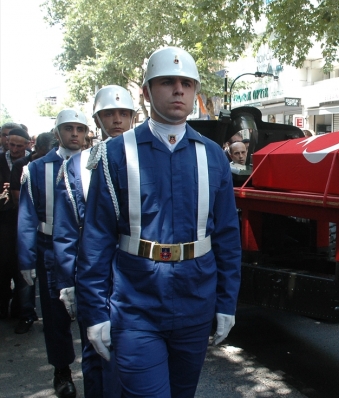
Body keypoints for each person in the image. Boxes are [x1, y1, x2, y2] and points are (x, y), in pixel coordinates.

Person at [76, 46, 242, 397]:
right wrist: (93, 312)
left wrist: (227, 302)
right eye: (167, 81)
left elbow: (227, 236)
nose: (178, 90)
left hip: (196, 303)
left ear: (196, 92)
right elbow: (96, 241)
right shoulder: (114, 154)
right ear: (146, 91)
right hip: (136, 307)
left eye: (187, 83)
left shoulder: (213, 155)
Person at [53, 85, 136, 397]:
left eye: (123, 113)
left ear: (133, 116)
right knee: (95, 351)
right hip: (93, 274)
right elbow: (66, 229)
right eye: (108, 114)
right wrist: (67, 281)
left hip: (134, 274)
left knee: (135, 354)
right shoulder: (77, 164)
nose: (116, 120)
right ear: (98, 118)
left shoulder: (147, 157)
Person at [18, 109, 89, 398]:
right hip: (50, 249)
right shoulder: (36, 169)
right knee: (56, 313)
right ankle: (62, 371)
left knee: (93, 311)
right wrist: (26, 258)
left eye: (80, 128)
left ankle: (97, 367)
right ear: (57, 132)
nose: (75, 134)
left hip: (89, 249)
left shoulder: (95, 164)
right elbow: (26, 216)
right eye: (68, 128)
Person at [11, 132, 55, 334]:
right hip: (32, 230)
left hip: (51, 235)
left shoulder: (61, 166)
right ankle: (26, 314)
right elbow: (21, 201)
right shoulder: (26, 167)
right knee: (27, 278)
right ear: (37, 149)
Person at [0, 128, 31, 320]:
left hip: (25, 221)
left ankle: (22, 312)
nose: (14, 149)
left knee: (24, 268)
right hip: (4, 221)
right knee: (4, 264)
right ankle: (3, 305)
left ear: (27, 145)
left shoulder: (31, 162)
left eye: (19, 146)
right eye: (11, 145)